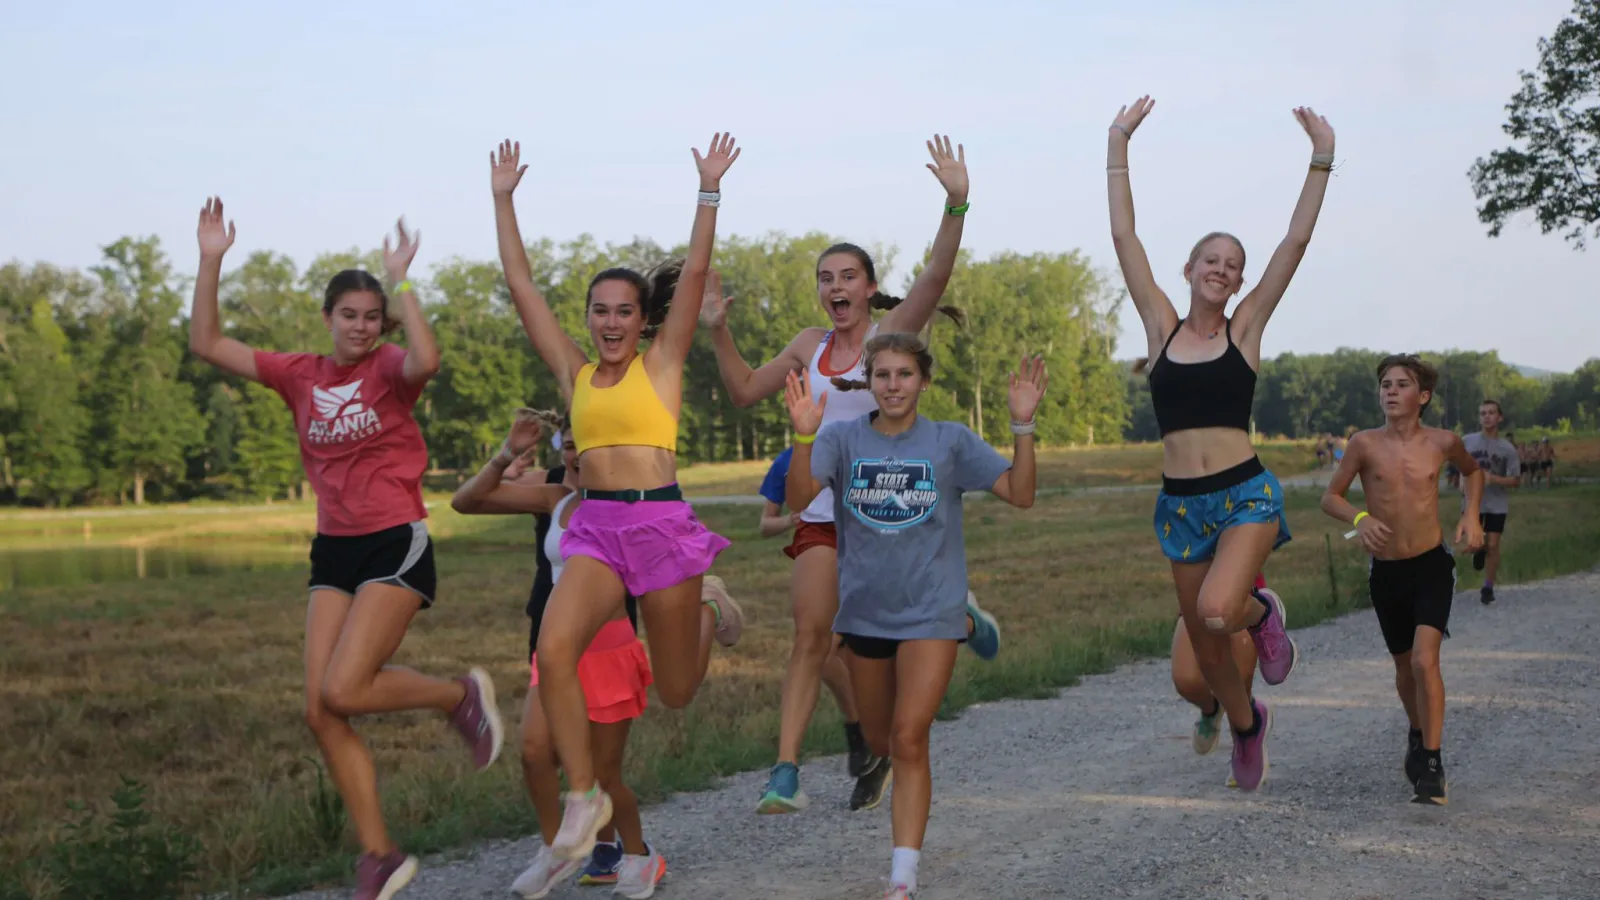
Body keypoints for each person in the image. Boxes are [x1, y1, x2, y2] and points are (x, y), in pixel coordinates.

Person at [187, 199, 501, 900]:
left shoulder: (391, 367)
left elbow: (429, 356)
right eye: (348, 315)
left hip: (395, 541)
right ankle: (380, 855)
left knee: (346, 687)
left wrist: (404, 281)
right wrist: (211, 259)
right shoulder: (298, 373)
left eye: (370, 315)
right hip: (333, 550)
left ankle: (457, 696)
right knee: (320, 709)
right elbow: (207, 343)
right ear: (327, 317)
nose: (359, 327)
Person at [697, 135, 982, 814]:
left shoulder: (891, 340)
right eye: (826, 279)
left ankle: (952, 614)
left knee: (865, 655)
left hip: (891, 518)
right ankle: (786, 769)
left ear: (870, 287)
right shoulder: (808, 346)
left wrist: (956, 202)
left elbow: (937, 279)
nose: (835, 288)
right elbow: (742, 391)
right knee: (810, 637)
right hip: (827, 514)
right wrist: (715, 328)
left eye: (847, 277)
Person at [490, 135, 745, 861]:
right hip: (598, 529)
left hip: (660, 522)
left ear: (642, 320)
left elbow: (694, 270)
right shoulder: (572, 370)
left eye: (623, 311)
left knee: (674, 691)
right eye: (599, 310)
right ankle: (583, 795)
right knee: (555, 645)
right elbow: (521, 284)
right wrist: (504, 200)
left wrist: (708, 191)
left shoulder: (661, 365)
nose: (609, 322)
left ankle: (705, 605)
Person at [1108, 96, 1334, 791]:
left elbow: (1293, 243)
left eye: (1233, 263)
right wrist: (1118, 145)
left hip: (1244, 495)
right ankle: (1245, 725)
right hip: (1180, 505)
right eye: (1211, 257)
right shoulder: (1162, 330)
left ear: (1239, 281)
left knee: (1216, 611)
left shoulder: (1246, 331)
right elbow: (1125, 240)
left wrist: (1320, 157)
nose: (1223, 267)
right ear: (1189, 269)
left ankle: (1263, 612)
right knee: (1207, 656)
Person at [783, 332, 1045, 900]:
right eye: (883, 375)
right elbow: (798, 498)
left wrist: (1021, 427)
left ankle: (903, 876)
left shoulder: (949, 442)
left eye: (905, 374)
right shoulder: (843, 438)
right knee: (880, 737)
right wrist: (804, 436)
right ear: (870, 382)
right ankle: (973, 622)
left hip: (931, 611)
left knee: (908, 737)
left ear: (923, 382)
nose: (894, 385)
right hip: (866, 616)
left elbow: (1021, 494)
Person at [451, 413, 665, 898]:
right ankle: (555, 851)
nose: (575, 455)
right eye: (569, 445)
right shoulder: (556, 499)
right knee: (533, 752)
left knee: (605, 775)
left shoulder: (630, 505)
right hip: (553, 653)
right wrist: (506, 453)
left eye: (586, 445)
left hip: (608, 652)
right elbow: (466, 502)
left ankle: (639, 856)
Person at [1320, 354, 1484, 806]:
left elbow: (1473, 471)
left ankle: (1431, 762)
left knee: (1423, 662)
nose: (1390, 391)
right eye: (1385, 384)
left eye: (1401, 384)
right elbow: (1330, 496)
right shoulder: (1364, 444)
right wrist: (1360, 517)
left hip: (1431, 565)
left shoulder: (1443, 442)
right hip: (1386, 571)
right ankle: (1416, 731)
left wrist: (1471, 514)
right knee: (1402, 665)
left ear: (1423, 396)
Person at [755, 447, 888, 811]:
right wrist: (790, 520)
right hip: (819, 537)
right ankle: (855, 731)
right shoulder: (787, 460)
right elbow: (766, 522)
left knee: (855, 651)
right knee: (820, 648)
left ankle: (872, 737)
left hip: (871, 530)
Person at [1172, 572, 1267, 786]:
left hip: (1241, 594)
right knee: (1186, 680)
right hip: (1196, 597)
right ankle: (1211, 709)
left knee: (1239, 682)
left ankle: (1246, 742)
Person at [1464, 400, 1520, 605]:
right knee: (1476, 541)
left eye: (1491, 413)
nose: (1486, 416)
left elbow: (1515, 480)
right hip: (1473, 502)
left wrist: (1493, 479)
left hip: (1497, 502)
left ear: (1499, 417)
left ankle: (1488, 586)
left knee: (1494, 545)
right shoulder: (1468, 442)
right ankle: (1479, 550)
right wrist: (1464, 483)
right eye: (1483, 413)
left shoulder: (1507, 449)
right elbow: (1459, 467)